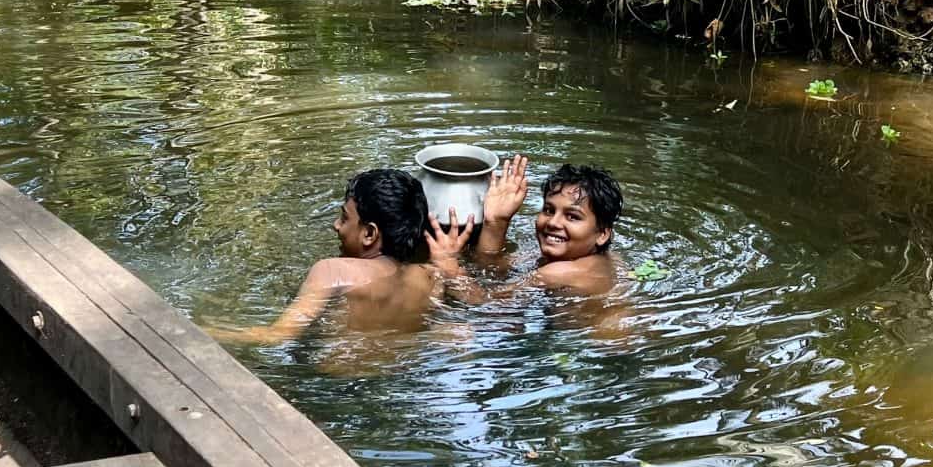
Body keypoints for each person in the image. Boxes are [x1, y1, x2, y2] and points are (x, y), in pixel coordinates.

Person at [209, 169, 444, 345]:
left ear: (369, 233)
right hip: (390, 380)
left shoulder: (333, 271)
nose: (336, 226)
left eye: (344, 218)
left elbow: (276, 337)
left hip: (333, 381)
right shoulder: (430, 278)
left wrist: (203, 331)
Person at [427, 157, 624, 297]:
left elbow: (487, 305)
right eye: (548, 210)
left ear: (603, 234)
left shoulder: (558, 272)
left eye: (572, 217)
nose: (554, 223)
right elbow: (492, 268)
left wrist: (449, 266)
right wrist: (496, 222)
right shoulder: (609, 259)